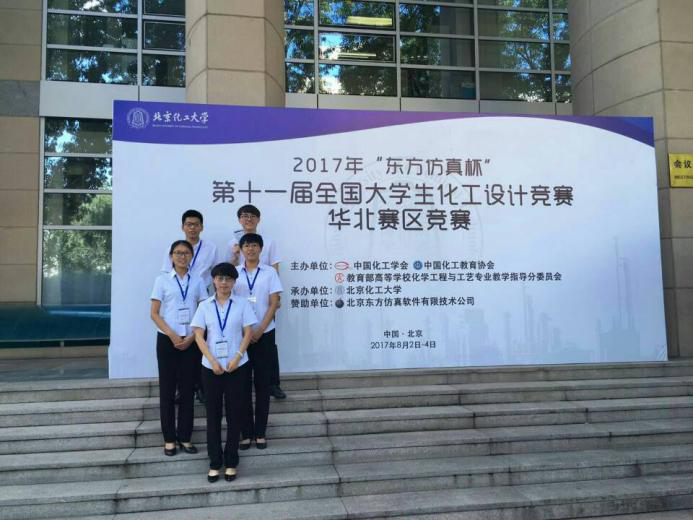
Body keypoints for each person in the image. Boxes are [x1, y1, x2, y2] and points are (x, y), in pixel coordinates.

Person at [192, 263, 257, 482]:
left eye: (228, 279)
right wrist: (212, 360)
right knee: (213, 415)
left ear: (234, 282)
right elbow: (199, 336)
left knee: (234, 414)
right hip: (211, 368)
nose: (224, 282)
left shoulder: (242, 304)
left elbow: (248, 333)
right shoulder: (204, 306)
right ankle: (214, 462)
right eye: (220, 278)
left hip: (237, 366)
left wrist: (237, 357)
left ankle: (231, 461)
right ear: (213, 280)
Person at [150, 240, 208, 457]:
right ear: (171, 256)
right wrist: (173, 335)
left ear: (191, 256)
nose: (182, 256)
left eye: (186, 253)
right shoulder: (162, 280)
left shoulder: (198, 280)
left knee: (187, 390)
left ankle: (185, 437)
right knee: (167, 390)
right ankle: (169, 439)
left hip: (191, 341)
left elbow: (204, 311)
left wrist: (193, 337)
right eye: (178, 253)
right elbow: (154, 313)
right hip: (168, 340)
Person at [227, 204, 286, 399]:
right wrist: (235, 254)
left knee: (268, 344)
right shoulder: (233, 242)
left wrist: (276, 297)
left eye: (252, 216)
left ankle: (272, 384)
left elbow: (274, 267)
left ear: (258, 219)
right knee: (241, 344)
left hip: (264, 296)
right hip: (241, 300)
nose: (248, 219)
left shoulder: (268, 242)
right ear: (239, 220)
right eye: (244, 216)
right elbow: (229, 271)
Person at [161, 209, 218, 404]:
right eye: (188, 224)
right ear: (183, 227)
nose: (192, 228)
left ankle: (200, 387)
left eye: (196, 224)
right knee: (179, 350)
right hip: (179, 303)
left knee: (200, 345)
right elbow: (166, 274)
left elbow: (215, 274)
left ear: (202, 227)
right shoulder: (174, 249)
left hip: (201, 299)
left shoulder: (211, 248)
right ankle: (181, 389)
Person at [233, 233, 282, 450]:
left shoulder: (270, 272)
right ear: (241, 249)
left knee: (263, 384)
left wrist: (261, 328)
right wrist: (247, 330)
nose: (250, 249)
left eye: (254, 245)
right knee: (242, 385)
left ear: (261, 249)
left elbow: (274, 303)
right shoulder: (234, 273)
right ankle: (246, 433)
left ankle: (260, 433)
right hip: (240, 336)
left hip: (265, 333)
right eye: (246, 245)